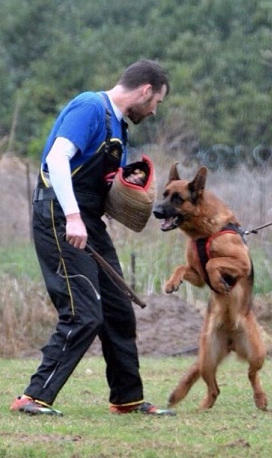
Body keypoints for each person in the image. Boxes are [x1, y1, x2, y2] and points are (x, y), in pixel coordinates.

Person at [10, 59, 175, 416]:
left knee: (118, 310)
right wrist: (72, 216)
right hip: (59, 216)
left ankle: (127, 399)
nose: (154, 111)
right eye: (157, 103)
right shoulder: (90, 107)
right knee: (83, 313)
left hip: (87, 220)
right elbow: (56, 159)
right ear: (145, 90)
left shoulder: (117, 124)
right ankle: (33, 397)